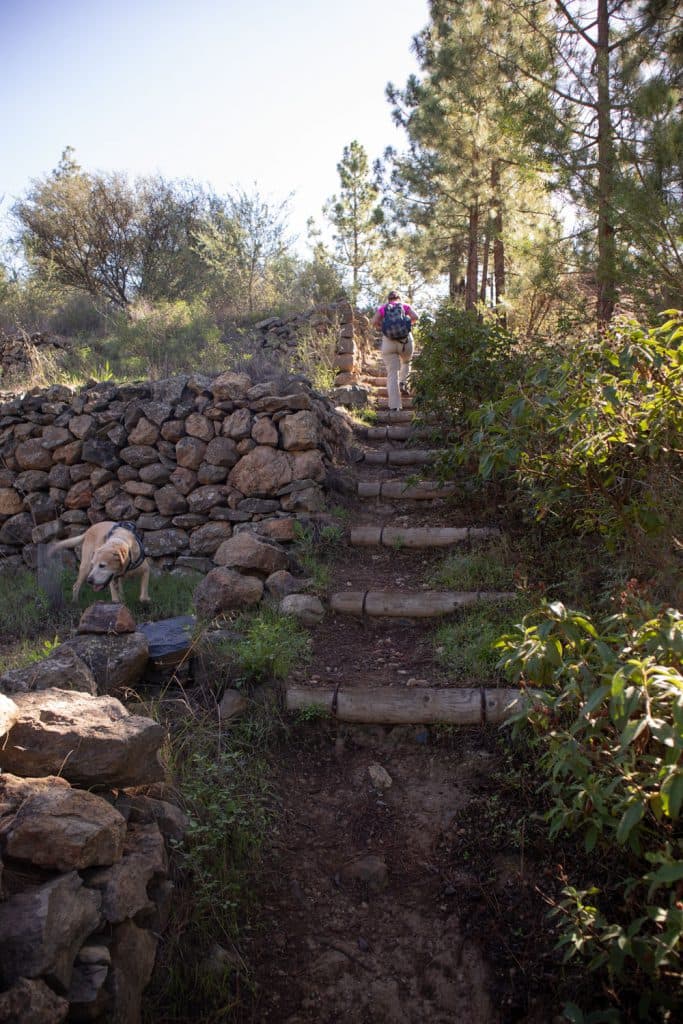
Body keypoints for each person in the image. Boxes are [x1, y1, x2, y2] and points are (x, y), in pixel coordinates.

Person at [372, 290, 419, 411]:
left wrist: (384, 327)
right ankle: (403, 382)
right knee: (406, 362)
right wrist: (407, 323)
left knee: (392, 373)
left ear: (388, 299)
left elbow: (374, 322)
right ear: (399, 298)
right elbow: (416, 317)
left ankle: (395, 406)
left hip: (389, 342)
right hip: (405, 341)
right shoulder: (404, 306)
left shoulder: (383, 308)